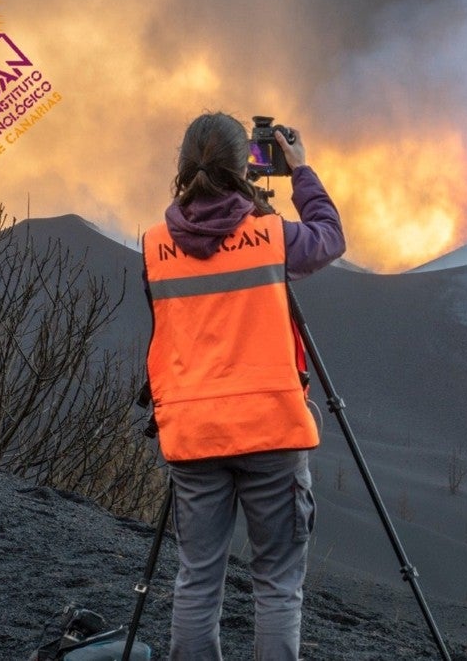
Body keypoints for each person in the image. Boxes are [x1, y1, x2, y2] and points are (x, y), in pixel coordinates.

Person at [141, 112, 345, 660]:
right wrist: (300, 171)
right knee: (277, 582)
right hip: (271, 429)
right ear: (244, 168)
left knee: (197, 578)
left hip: (194, 433)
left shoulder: (154, 247)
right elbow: (330, 237)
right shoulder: (272, 237)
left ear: (184, 168)